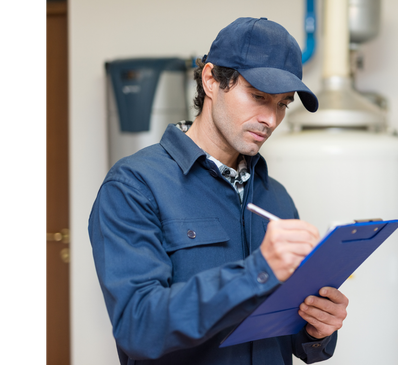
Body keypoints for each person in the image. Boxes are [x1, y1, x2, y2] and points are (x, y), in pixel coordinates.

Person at [89, 17, 349, 365]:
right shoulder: (135, 186)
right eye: (258, 96)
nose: (271, 119)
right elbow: (139, 327)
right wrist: (259, 271)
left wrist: (316, 330)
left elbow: (285, 333)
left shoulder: (277, 197)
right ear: (211, 79)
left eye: (283, 104)